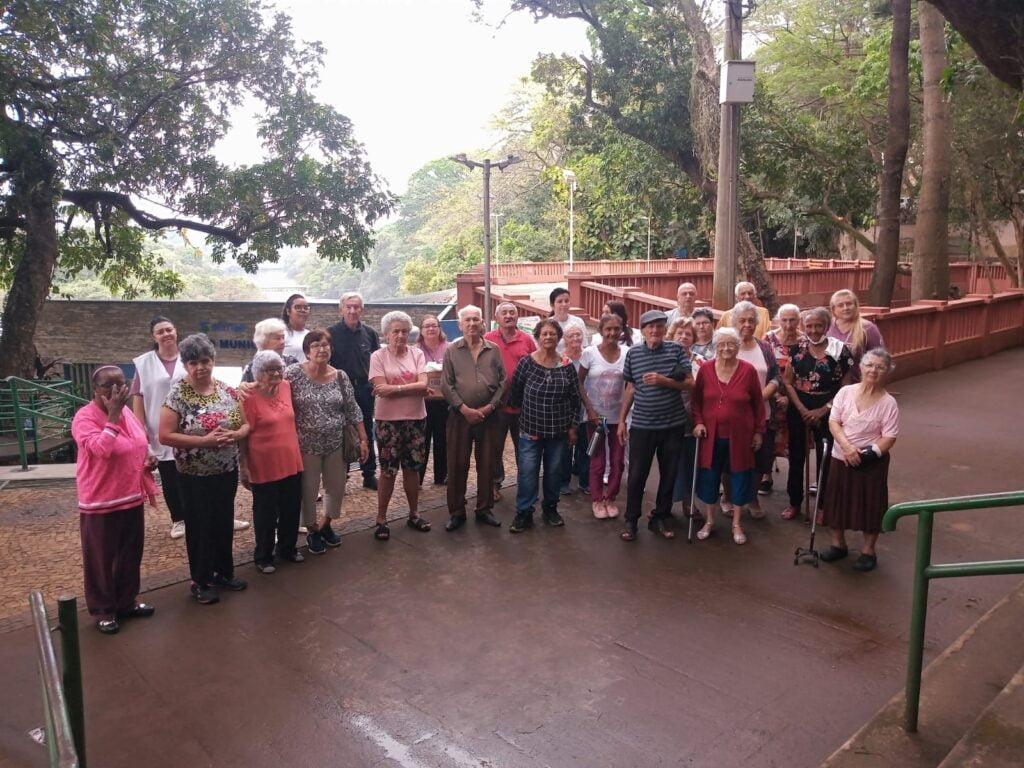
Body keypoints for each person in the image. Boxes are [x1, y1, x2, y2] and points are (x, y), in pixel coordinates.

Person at [159, 334, 250, 605]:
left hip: (225, 470)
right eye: (194, 362)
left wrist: (236, 436)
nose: (201, 367)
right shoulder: (178, 393)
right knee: (199, 527)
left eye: (205, 361)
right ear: (186, 365)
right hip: (193, 474)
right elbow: (165, 435)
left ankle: (224, 572)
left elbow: (245, 425)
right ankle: (200, 580)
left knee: (223, 522)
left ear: (213, 361)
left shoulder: (226, 389)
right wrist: (203, 441)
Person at [73, 365, 158, 634]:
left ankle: (126, 602)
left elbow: (136, 443)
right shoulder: (84, 417)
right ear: (94, 390)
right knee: (100, 559)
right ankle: (103, 610)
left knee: (129, 554)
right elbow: (100, 449)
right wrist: (111, 416)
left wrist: (146, 458)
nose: (116, 390)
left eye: (120, 383)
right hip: (100, 501)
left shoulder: (129, 414)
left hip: (130, 496)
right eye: (108, 386)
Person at [285, 329, 368, 555]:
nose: (321, 349)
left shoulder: (340, 376)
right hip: (305, 445)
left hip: (335, 443)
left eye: (325, 345)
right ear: (306, 351)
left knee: (336, 488)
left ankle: (326, 525)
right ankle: (312, 530)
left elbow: (352, 408)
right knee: (308, 490)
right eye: (315, 346)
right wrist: (246, 387)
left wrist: (363, 438)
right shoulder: (292, 374)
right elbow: (273, 392)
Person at [617, 310, 694, 542]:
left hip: (672, 425)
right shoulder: (634, 353)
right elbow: (630, 387)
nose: (655, 330)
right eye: (650, 327)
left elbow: (690, 383)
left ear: (664, 329)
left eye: (659, 326)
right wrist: (621, 420)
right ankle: (631, 520)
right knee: (637, 475)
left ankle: (660, 516)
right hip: (642, 425)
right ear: (643, 330)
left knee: (669, 475)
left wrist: (665, 381)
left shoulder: (675, 350)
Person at [822, 348, 899, 572]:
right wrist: (847, 448)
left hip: (871, 461)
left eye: (880, 367)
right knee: (837, 499)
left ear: (887, 372)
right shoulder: (845, 392)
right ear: (861, 367)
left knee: (870, 504)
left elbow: (890, 436)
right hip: (841, 455)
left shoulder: (888, 403)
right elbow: (834, 422)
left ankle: (868, 550)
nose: (873, 370)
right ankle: (838, 544)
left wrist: (866, 453)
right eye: (869, 365)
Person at [691, 328, 765, 545]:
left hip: (740, 435)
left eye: (731, 344)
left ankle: (737, 523)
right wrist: (699, 422)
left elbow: (758, 405)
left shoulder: (748, 370)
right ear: (715, 346)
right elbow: (696, 401)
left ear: (737, 346)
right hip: (710, 436)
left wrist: (759, 431)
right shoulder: (705, 369)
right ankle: (710, 521)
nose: (726, 348)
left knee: (741, 477)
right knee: (709, 477)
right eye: (721, 344)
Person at [507, 319, 581, 532]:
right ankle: (524, 512)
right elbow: (515, 395)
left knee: (554, 472)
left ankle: (550, 509)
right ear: (537, 337)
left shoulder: (566, 365)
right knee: (528, 472)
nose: (548, 337)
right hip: (530, 431)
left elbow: (575, 399)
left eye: (552, 334)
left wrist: (573, 426)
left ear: (558, 338)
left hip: (558, 432)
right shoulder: (526, 363)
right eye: (544, 334)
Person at [781, 307, 853, 520]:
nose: (813, 330)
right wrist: (802, 409)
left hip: (829, 406)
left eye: (818, 326)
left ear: (826, 326)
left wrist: (823, 410)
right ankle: (794, 502)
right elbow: (787, 381)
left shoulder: (840, 351)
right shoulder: (796, 349)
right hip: (799, 406)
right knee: (796, 456)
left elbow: (845, 386)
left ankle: (823, 505)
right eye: (809, 326)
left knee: (827, 456)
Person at [441, 305, 506, 531]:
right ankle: (457, 511)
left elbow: (502, 382)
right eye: (467, 320)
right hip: (460, 416)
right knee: (457, 463)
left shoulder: (494, 349)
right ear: (460, 324)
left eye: (475, 319)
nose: (471, 324)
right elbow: (446, 384)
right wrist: (464, 408)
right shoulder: (452, 350)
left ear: (482, 323)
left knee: (487, 463)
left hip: (489, 416)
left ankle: (484, 508)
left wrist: (490, 407)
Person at [239, 350, 304, 574]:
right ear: (258, 373)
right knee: (265, 512)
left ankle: (287, 548)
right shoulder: (248, 396)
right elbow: (243, 434)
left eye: (279, 368)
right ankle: (264, 555)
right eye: (270, 370)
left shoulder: (286, 386)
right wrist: (243, 466)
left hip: (291, 457)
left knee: (291, 507)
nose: (276, 373)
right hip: (263, 461)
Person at [368, 311, 432, 540]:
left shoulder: (417, 354)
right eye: (395, 331)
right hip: (388, 422)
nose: (400, 335)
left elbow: (424, 383)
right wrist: (413, 387)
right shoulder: (378, 356)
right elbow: (379, 387)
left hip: (415, 419)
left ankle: (414, 513)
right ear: (386, 334)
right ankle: (381, 519)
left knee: (413, 469)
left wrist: (394, 389)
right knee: (387, 471)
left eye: (405, 331)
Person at [130, 316, 189, 540]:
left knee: (195, 473)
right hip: (158, 430)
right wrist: (140, 431)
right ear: (153, 337)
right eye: (160, 332)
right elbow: (138, 397)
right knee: (170, 475)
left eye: (169, 329)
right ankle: (178, 519)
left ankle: (200, 514)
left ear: (176, 331)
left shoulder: (189, 356)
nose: (166, 334)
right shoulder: (144, 363)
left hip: (189, 426)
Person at [327, 291, 381, 490]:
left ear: (362, 309)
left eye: (356, 307)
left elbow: (377, 362)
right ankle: (343, 475)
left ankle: (369, 473)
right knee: (342, 432)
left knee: (366, 430)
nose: (352, 311)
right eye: (348, 307)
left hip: (364, 388)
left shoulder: (370, 333)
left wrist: (376, 384)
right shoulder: (331, 333)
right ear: (341, 308)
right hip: (339, 390)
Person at [732, 301, 780, 519]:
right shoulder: (727, 345)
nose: (747, 324)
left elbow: (776, 377)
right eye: (742, 320)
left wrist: (761, 398)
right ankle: (729, 497)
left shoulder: (765, 348)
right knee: (731, 458)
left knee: (761, 458)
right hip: (734, 414)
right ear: (734, 322)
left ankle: (751, 497)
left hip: (763, 412)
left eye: (751, 320)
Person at [484, 302, 536, 501]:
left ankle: (526, 485)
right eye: (504, 313)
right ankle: (495, 484)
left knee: (524, 448)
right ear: (497, 318)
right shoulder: (488, 339)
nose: (508, 316)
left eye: (512, 313)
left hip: (523, 405)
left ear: (517, 317)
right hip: (497, 405)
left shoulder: (527, 340)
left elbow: (535, 365)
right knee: (495, 448)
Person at [579, 313, 627, 519]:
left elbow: (631, 385)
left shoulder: (627, 353)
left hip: (620, 417)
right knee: (598, 460)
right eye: (608, 329)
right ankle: (597, 499)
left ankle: (611, 498)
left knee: (618, 461)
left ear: (622, 331)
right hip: (596, 418)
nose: (612, 333)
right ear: (601, 331)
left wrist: (625, 416)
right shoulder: (589, 354)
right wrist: (590, 409)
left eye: (616, 329)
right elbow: (578, 382)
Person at [764, 304, 805, 493]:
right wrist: (777, 394)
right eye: (784, 320)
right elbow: (765, 371)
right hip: (772, 395)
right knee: (769, 434)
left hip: (797, 397)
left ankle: (794, 480)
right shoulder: (768, 339)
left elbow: (807, 375)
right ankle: (766, 473)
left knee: (795, 437)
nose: (788, 325)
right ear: (778, 320)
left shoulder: (805, 341)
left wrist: (790, 397)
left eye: (792, 320)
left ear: (799, 320)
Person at [669, 318, 701, 519]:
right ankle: (664, 504)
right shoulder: (663, 357)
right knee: (669, 462)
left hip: (692, 418)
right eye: (679, 333)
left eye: (688, 334)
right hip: (667, 418)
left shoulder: (700, 361)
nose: (683, 337)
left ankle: (689, 502)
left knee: (690, 462)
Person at [417, 314, 450, 487]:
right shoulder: (415, 350)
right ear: (421, 330)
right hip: (422, 401)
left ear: (439, 328)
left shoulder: (449, 348)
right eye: (427, 326)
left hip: (444, 401)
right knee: (422, 441)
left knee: (442, 439)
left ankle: (441, 476)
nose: (431, 329)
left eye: (434, 326)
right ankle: (418, 478)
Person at [828, 289, 884, 382]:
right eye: (840, 305)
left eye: (849, 304)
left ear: (856, 305)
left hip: (858, 385)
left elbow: (880, 358)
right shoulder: (827, 326)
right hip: (830, 385)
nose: (846, 308)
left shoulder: (868, 328)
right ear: (834, 309)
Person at [559, 323, 589, 495]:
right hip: (567, 410)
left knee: (586, 447)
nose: (576, 338)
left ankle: (585, 481)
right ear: (565, 339)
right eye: (572, 335)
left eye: (578, 334)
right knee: (566, 448)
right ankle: (563, 482)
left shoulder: (589, 355)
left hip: (586, 407)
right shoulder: (561, 359)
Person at [241, 318, 298, 383]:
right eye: (277, 338)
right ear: (263, 341)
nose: (282, 342)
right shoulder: (251, 368)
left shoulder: (292, 361)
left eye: (283, 337)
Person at [549, 286, 585, 353]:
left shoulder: (578, 322)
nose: (564, 304)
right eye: (560, 301)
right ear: (552, 305)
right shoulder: (547, 325)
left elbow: (584, 345)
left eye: (566, 301)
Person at [282, 293, 311, 362]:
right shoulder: (280, 334)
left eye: (306, 308)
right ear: (288, 311)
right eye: (298, 307)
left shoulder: (310, 335)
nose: (303, 310)